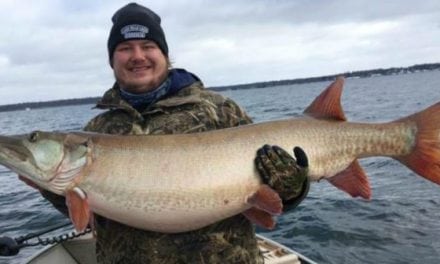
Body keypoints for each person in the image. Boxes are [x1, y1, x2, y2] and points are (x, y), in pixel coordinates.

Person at [35, 3, 310, 263]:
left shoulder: (220, 111)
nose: (138, 56)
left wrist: (293, 187)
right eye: (125, 48)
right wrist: (47, 185)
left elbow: (278, 199)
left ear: (164, 55)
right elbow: (95, 214)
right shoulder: (97, 131)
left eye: (148, 46)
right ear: (112, 60)